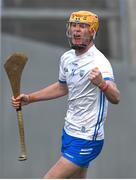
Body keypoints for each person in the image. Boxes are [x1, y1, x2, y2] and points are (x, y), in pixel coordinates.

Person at [12, 10, 120, 179]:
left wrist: (103, 84)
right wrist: (30, 98)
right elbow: (63, 87)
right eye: (74, 25)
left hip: (87, 137)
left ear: (92, 31)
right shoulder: (67, 58)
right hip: (70, 131)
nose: (76, 30)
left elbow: (116, 97)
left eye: (83, 26)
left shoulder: (99, 62)